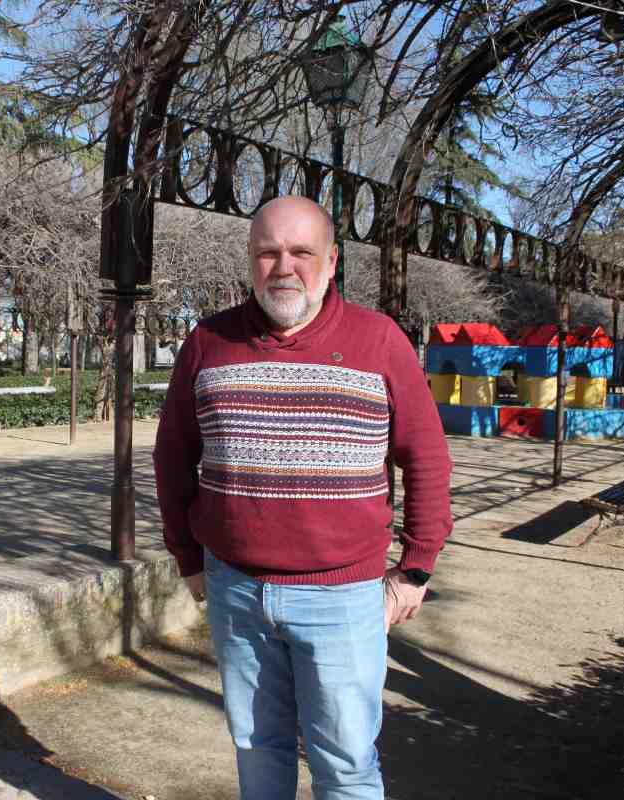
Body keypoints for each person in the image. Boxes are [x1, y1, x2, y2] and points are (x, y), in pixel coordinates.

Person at [152, 195, 453, 800]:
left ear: (332, 261)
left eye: (301, 252)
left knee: (344, 763)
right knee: (257, 750)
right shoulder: (208, 343)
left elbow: (427, 458)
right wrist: (188, 558)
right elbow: (172, 456)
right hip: (235, 590)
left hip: (342, 597)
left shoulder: (380, 343)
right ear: (250, 260)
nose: (283, 267)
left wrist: (416, 568)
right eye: (267, 252)